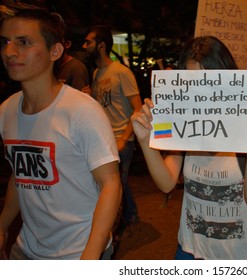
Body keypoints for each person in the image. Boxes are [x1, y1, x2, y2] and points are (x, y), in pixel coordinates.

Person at [131, 36, 247, 260]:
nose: (201, 96)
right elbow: (167, 183)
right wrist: (145, 141)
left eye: (210, 82)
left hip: (240, 257)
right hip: (190, 252)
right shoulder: (184, 126)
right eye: (192, 83)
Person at [0, 3, 122, 260]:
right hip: (27, 250)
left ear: (55, 51)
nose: (9, 52)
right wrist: (2, 224)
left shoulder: (81, 111)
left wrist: (90, 257)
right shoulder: (7, 110)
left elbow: (110, 183)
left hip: (78, 251)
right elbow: (20, 174)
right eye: (5, 42)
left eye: (23, 42)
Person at [82, 25, 143, 235]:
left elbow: (137, 109)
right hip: (104, 139)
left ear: (101, 46)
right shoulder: (97, 73)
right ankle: (132, 216)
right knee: (119, 182)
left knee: (114, 186)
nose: (84, 46)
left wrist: (125, 139)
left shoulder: (122, 73)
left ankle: (114, 230)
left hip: (120, 139)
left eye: (88, 42)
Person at [56, 27, 90, 92]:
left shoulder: (76, 67)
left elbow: (80, 97)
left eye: (58, 42)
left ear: (67, 44)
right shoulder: (54, 65)